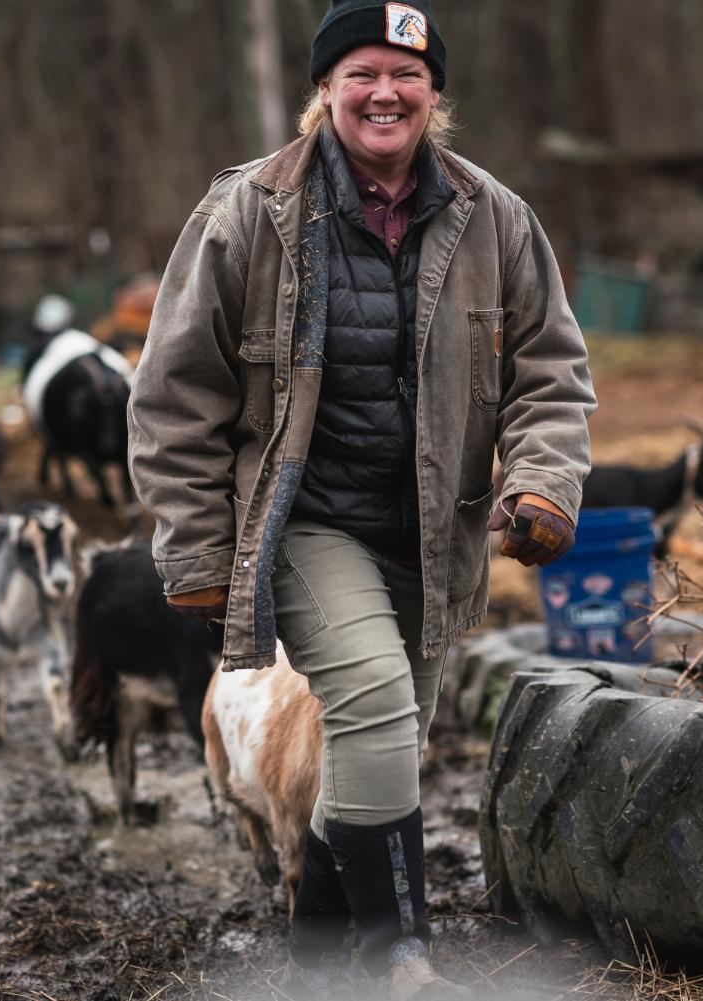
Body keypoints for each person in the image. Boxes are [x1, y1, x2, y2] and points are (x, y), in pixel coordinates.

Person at [128, 1, 595, 994]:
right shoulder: (250, 210)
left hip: (436, 531)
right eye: (362, 73)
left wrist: (543, 483)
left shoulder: (493, 215)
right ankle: (400, 960)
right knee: (378, 705)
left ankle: (311, 964)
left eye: (407, 74)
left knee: (380, 748)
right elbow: (172, 394)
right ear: (326, 90)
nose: (386, 92)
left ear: (434, 93)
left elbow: (553, 374)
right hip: (305, 522)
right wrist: (197, 549)